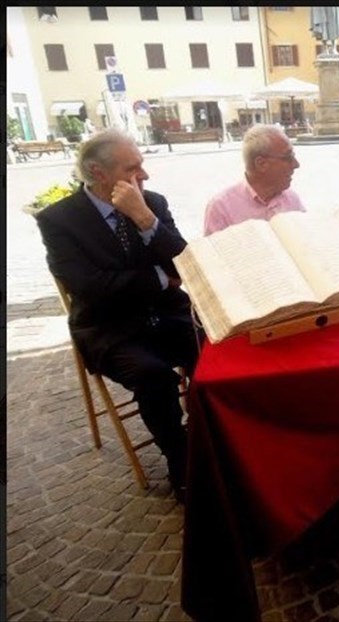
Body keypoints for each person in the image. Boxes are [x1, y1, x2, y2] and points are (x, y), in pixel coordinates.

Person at [35, 129, 198, 502]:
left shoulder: (151, 202)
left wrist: (145, 219)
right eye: (133, 168)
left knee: (217, 347)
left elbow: (185, 264)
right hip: (111, 328)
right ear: (98, 172)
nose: (144, 175)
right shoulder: (59, 221)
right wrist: (159, 278)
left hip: (166, 315)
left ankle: (208, 434)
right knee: (152, 374)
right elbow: (89, 286)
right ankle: (181, 459)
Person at [203, 124, 304, 235]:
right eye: (288, 158)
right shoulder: (221, 209)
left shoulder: (292, 200)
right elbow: (213, 252)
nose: (296, 164)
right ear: (261, 164)